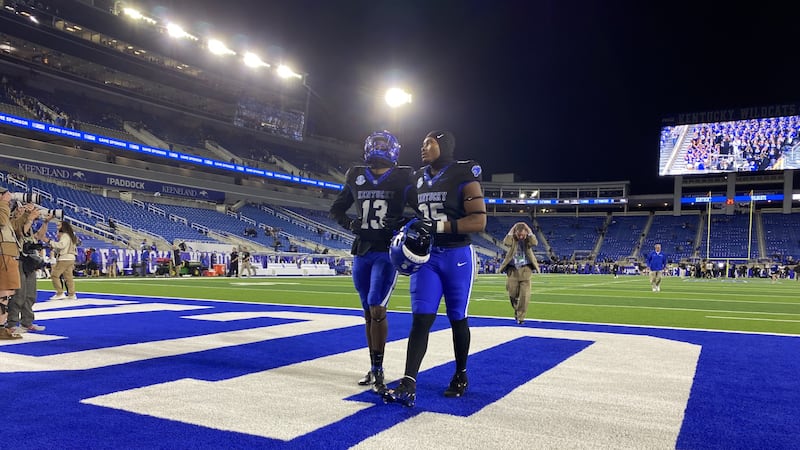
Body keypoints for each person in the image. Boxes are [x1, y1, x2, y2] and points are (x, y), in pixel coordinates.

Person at [383, 130, 486, 407]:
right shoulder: (418, 178)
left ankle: (461, 375)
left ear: (445, 145)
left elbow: (478, 221)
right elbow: (416, 215)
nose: (424, 147)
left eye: (430, 143)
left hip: (457, 255)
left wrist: (439, 226)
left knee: (457, 318)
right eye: (423, 143)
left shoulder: (463, 173)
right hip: (427, 257)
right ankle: (408, 382)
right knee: (421, 319)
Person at [329, 130, 413, 394]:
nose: (378, 148)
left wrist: (402, 223)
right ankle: (376, 368)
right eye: (374, 144)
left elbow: (422, 210)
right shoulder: (356, 174)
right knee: (367, 311)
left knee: (378, 308)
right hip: (362, 250)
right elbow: (336, 209)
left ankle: (379, 368)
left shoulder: (403, 176)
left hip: (387, 251)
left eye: (382, 144)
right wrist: (350, 223)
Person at [6, 203, 50, 333]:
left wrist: (46, 222)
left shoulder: (28, 226)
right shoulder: (11, 223)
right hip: (17, 260)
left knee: (30, 294)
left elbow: (38, 236)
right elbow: (21, 232)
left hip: (29, 261)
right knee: (19, 294)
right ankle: (12, 323)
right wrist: (29, 217)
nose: (22, 211)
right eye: (20, 209)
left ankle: (27, 321)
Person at [498, 221, 540, 325]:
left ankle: (521, 317)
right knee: (512, 295)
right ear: (515, 233)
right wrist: (512, 229)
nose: (521, 237)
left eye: (523, 234)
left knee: (525, 296)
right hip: (513, 270)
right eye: (519, 234)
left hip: (526, 270)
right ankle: (517, 310)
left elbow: (535, 243)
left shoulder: (528, 241)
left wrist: (529, 231)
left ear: (526, 233)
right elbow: (506, 242)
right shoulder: (513, 239)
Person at [0, 188, 23, 339]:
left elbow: (11, 227)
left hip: (6, 252)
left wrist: (22, 216)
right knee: (4, 292)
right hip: (3, 253)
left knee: (7, 291)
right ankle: (1, 328)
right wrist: (4, 202)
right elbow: (1, 221)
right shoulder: (2, 207)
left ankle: (2, 326)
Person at [43, 219, 79, 300]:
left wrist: (50, 241)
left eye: (59, 225)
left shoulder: (65, 235)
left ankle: (60, 293)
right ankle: (71, 294)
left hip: (65, 258)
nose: (57, 227)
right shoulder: (71, 236)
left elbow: (61, 245)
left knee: (54, 275)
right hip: (71, 258)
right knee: (68, 277)